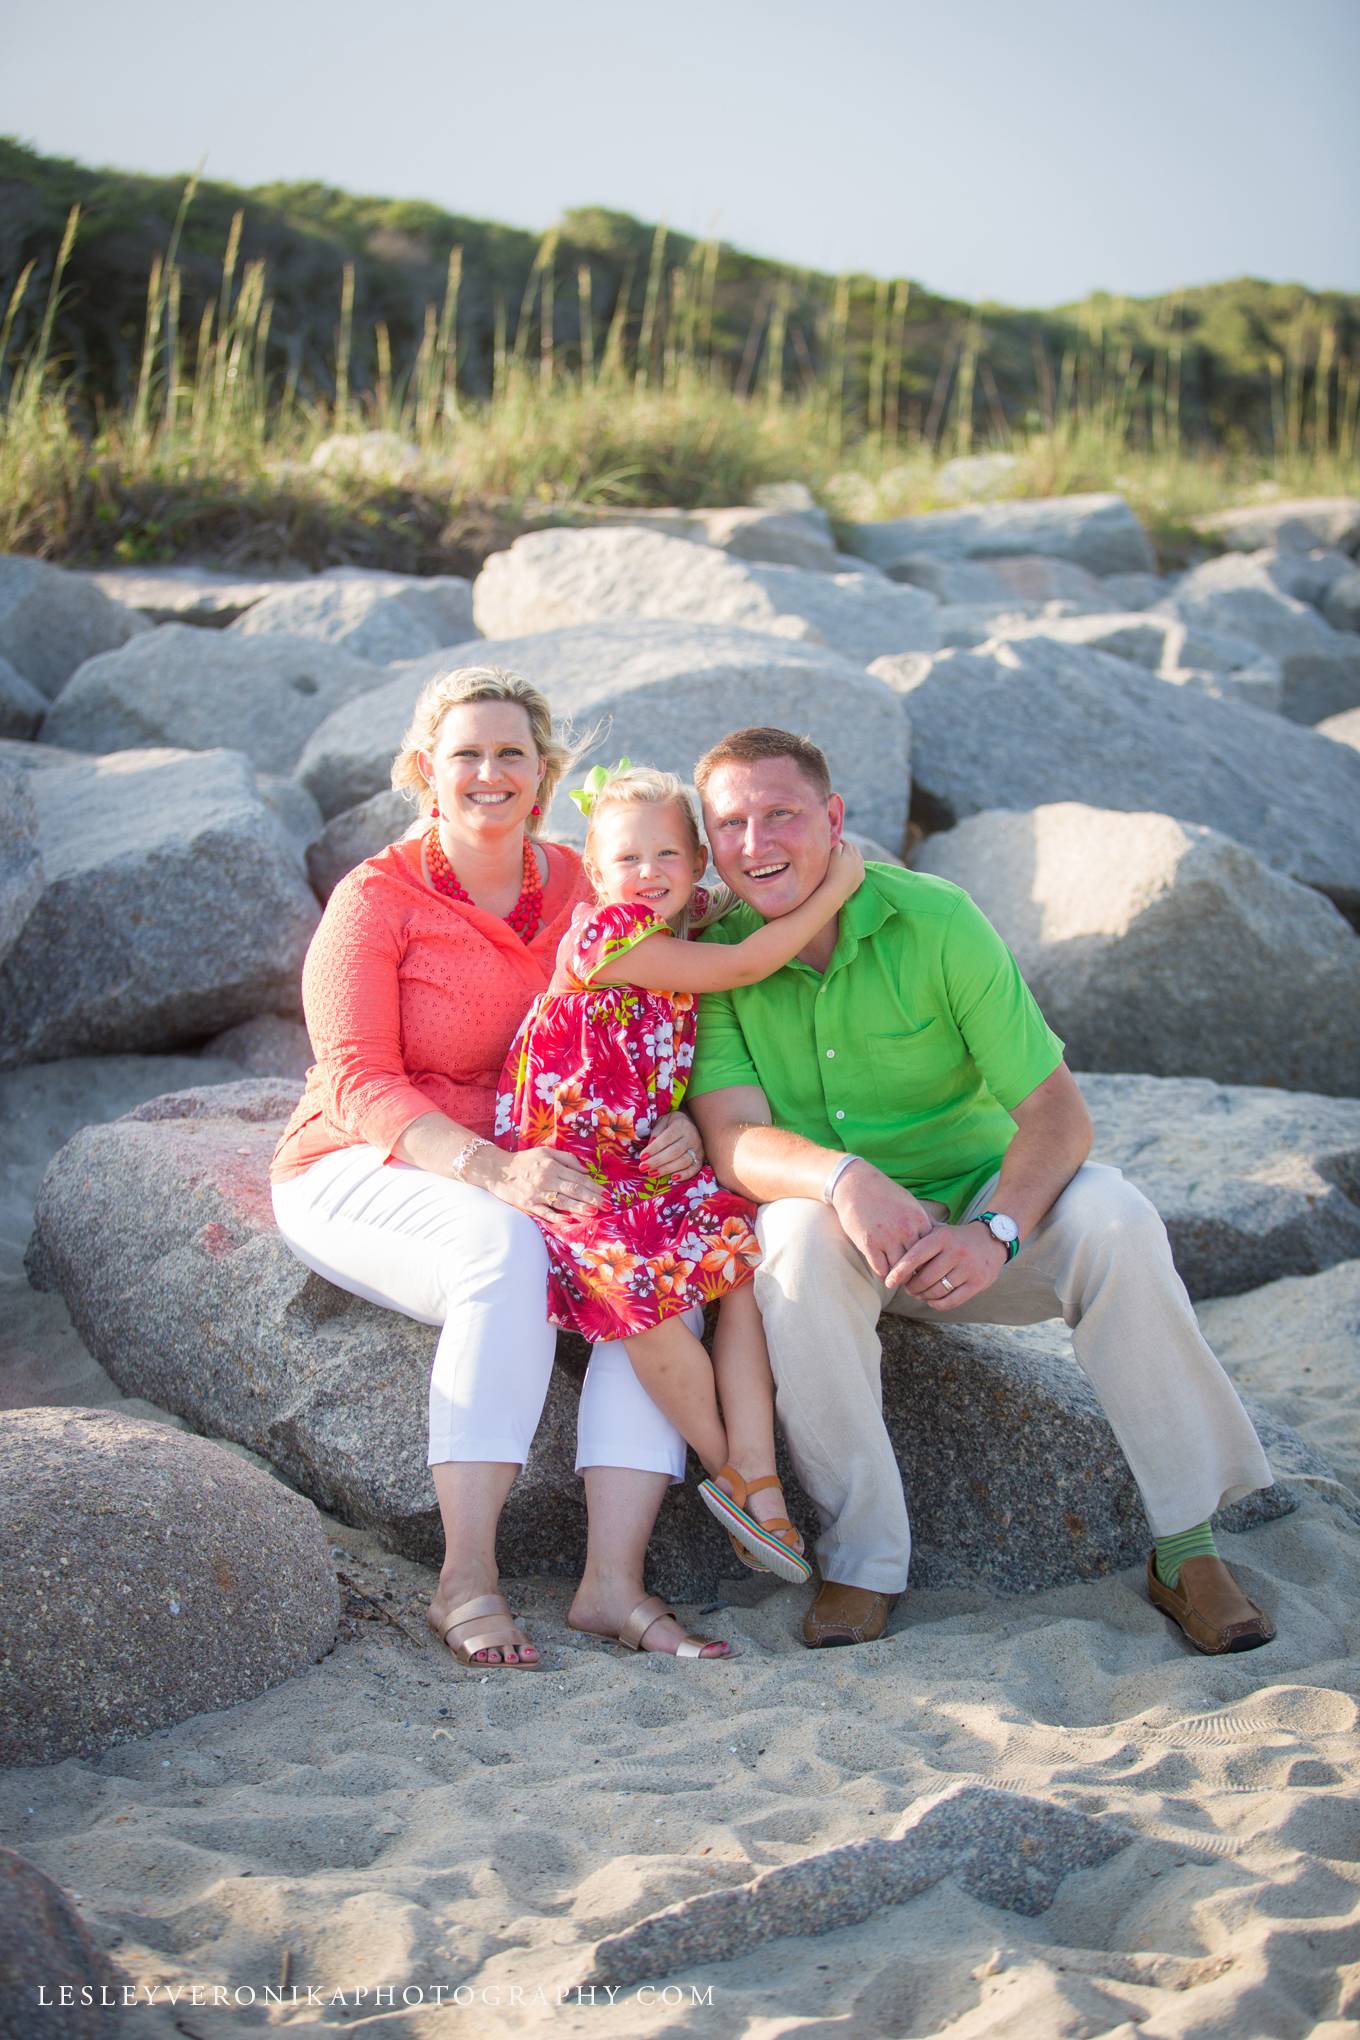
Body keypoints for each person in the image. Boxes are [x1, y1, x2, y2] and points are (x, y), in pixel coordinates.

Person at [685, 725, 1278, 1656]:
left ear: (833, 818)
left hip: (984, 1218)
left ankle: (1188, 1548)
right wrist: (847, 1180)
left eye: (781, 814)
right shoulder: (712, 955)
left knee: (1117, 1216)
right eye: (730, 824)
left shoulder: (937, 920)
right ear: (709, 842)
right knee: (790, 1240)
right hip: (851, 1241)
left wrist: (995, 1228)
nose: (755, 844)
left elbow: (1056, 1113)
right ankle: (863, 1561)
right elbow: (732, 1139)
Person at [270, 667, 733, 1669]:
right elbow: (354, 1080)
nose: (489, 772)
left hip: (548, 1164)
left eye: (511, 753)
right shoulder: (376, 898)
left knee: (656, 1266)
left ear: (544, 773)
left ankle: (612, 1585)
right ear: (423, 773)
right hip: (369, 1163)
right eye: (465, 754)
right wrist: (491, 1169)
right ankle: (465, 1578)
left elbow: (667, 1007)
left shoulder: (588, 880)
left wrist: (688, 1121)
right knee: (503, 1252)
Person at [496, 764, 864, 1583]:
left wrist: (686, 1130)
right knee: (640, 1290)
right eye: (627, 859)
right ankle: (729, 1467)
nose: (649, 873)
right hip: (571, 1168)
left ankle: (761, 1476)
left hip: (643, 1157)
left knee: (740, 1259)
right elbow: (745, 967)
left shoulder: (689, 922)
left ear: (698, 863)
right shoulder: (604, 935)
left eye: (667, 853)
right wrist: (837, 881)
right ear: (594, 873)